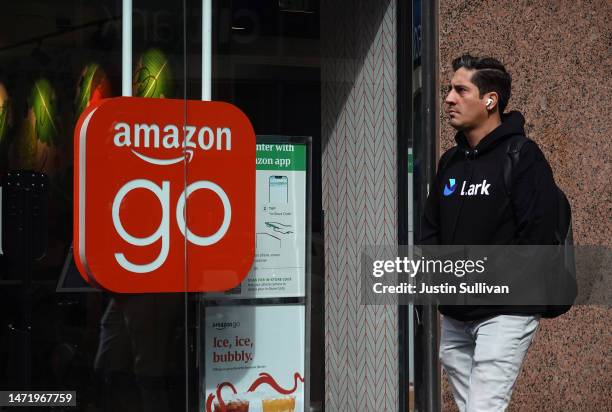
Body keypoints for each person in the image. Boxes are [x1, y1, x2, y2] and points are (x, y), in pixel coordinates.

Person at [420, 54, 559, 411]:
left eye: (460, 89)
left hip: (505, 312)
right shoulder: (450, 162)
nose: (448, 98)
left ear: (490, 100)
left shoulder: (522, 156)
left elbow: (538, 239)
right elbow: (430, 230)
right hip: (456, 315)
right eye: (449, 89)